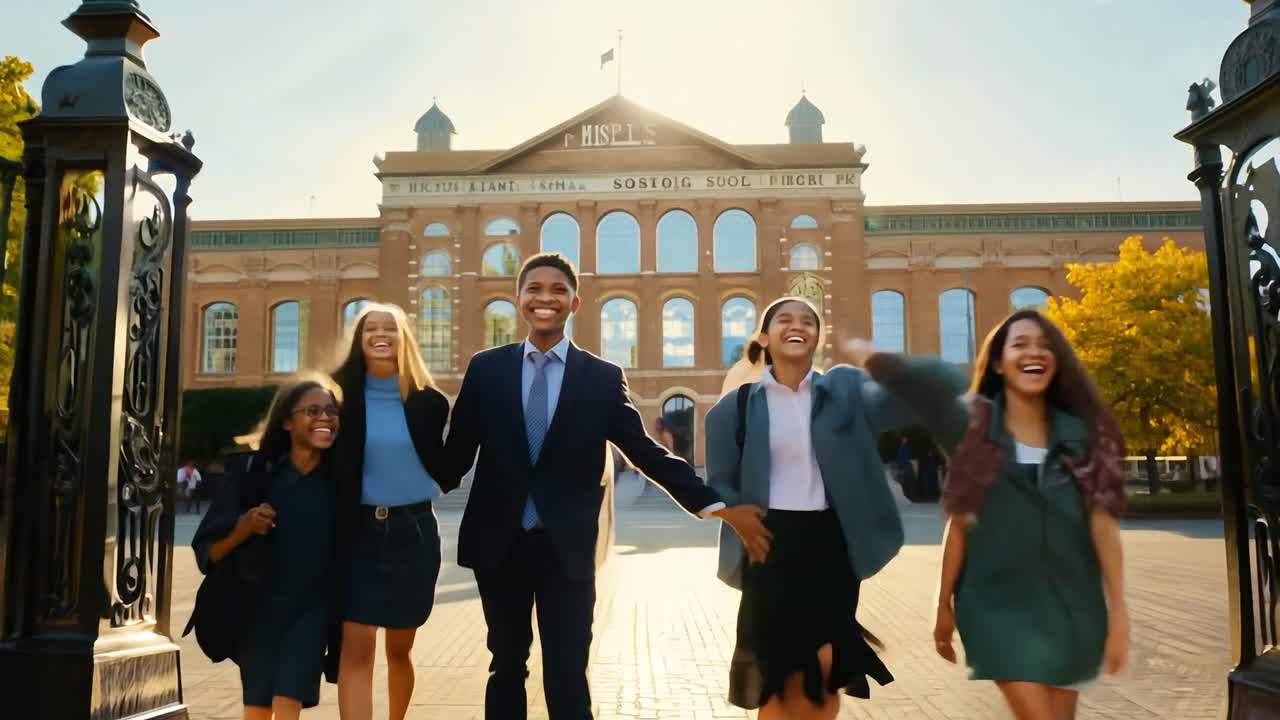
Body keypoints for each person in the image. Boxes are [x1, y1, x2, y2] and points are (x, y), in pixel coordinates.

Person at [443, 252, 771, 720]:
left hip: (568, 549)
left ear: (574, 303)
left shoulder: (599, 377)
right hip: (500, 545)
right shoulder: (486, 369)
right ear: (518, 299)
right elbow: (456, 453)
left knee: (567, 672)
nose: (545, 298)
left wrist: (717, 506)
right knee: (506, 666)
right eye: (534, 288)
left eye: (558, 290)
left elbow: (644, 451)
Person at [704, 296, 968, 720]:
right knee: (779, 676)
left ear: (817, 338)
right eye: (785, 319)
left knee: (827, 666)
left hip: (831, 545)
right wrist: (731, 514)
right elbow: (718, 483)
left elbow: (939, 384)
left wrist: (878, 360)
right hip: (768, 545)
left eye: (808, 320)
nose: (798, 325)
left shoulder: (845, 393)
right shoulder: (733, 409)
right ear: (764, 337)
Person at [933, 309, 1130, 720]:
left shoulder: (1081, 436)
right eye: (1020, 343)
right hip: (995, 605)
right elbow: (960, 524)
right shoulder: (976, 435)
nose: (1034, 352)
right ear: (1000, 363)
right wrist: (943, 604)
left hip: (1072, 608)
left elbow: (1103, 527)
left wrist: (1120, 612)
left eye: (1044, 345)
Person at [189, 376, 342, 720]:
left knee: (288, 701)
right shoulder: (255, 474)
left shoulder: (339, 481)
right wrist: (243, 529)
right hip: (257, 612)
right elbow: (209, 553)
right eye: (313, 410)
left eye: (331, 411)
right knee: (257, 708)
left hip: (311, 614)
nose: (325, 418)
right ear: (287, 421)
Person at [330, 303, 452, 720]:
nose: (381, 335)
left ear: (404, 339)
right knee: (356, 644)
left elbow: (449, 458)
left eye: (391, 329)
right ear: (359, 339)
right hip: (358, 533)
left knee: (399, 649)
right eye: (370, 329)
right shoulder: (336, 396)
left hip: (413, 533)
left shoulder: (428, 402)